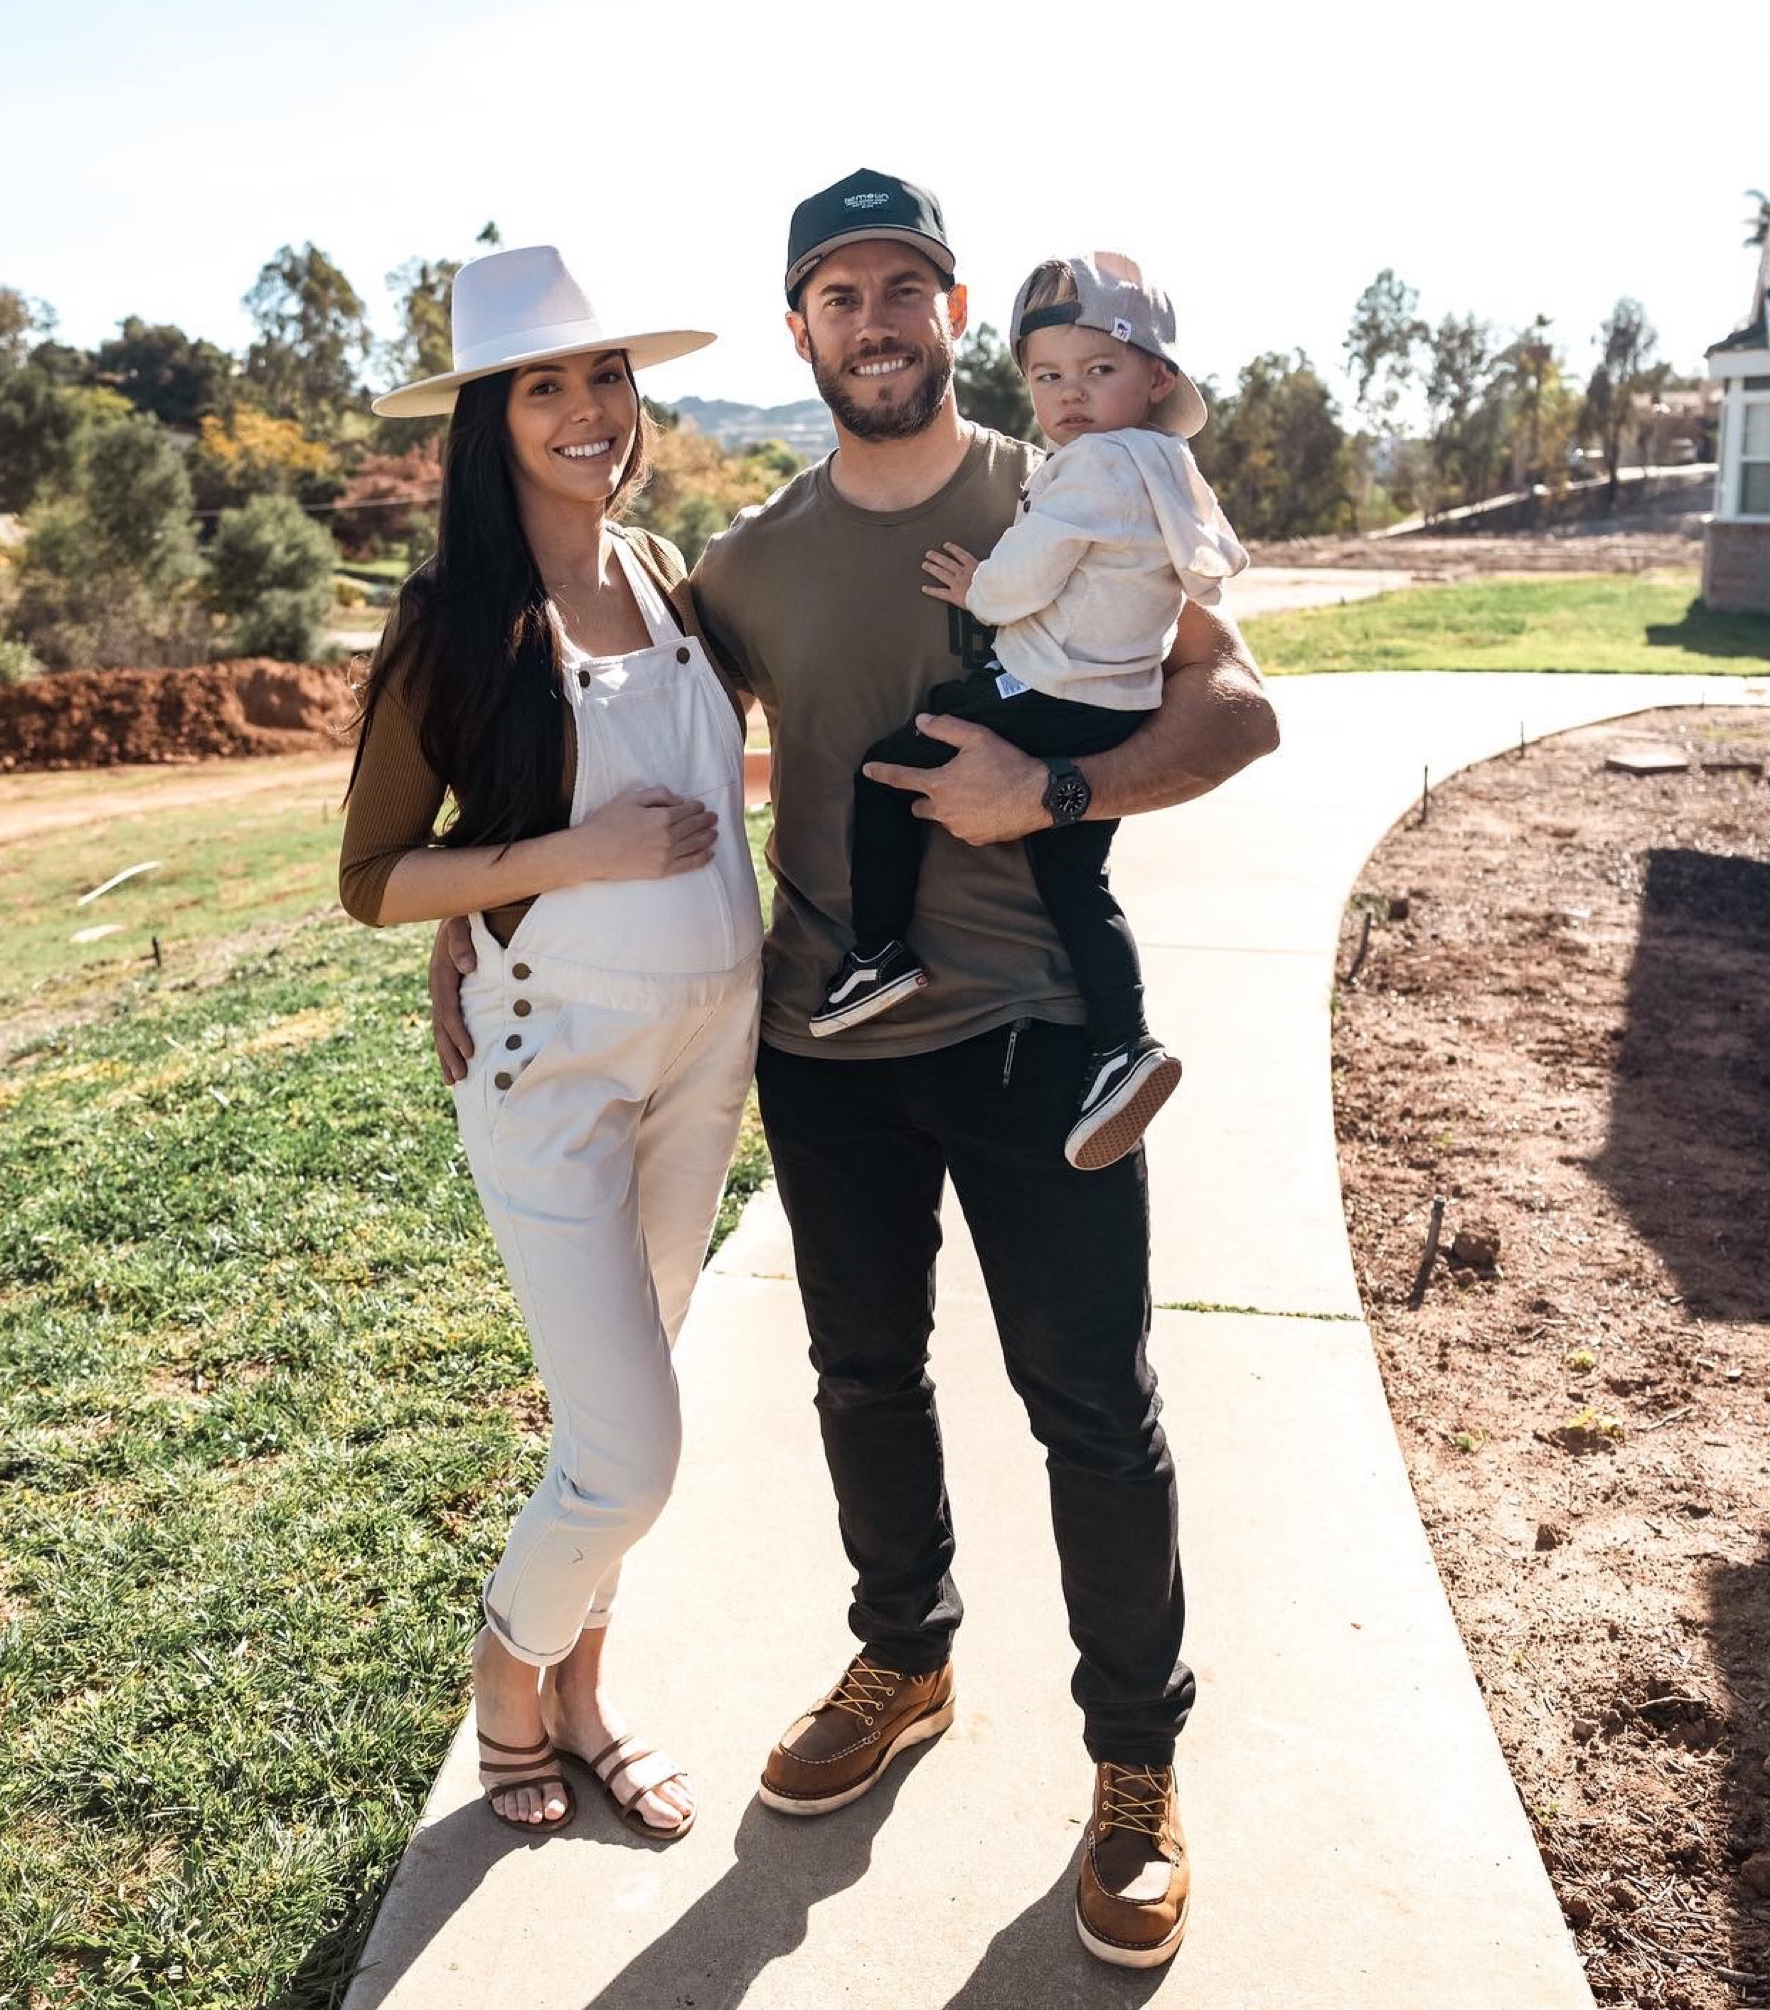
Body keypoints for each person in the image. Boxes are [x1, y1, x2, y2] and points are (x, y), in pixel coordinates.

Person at [430, 171, 1277, 1967]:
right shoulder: (739, 564)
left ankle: (1133, 1768)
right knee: (860, 1379)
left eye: (906, 288)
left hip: (1042, 1035)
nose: (875, 320)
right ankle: (904, 1651)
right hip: (823, 1039)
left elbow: (1235, 706)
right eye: (838, 292)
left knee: (1091, 1408)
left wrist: (1050, 789)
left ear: (955, 317)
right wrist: (471, 911)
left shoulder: (1072, 473)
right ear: (797, 326)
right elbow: (601, 729)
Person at [342, 244, 763, 1842]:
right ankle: (509, 1680)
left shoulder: (667, 574)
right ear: (489, 420)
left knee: (614, 1425)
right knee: (637, 1452)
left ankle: (589, 1697)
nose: (588, 409)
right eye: (546, 386)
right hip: (555, 1072)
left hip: (705, 1062)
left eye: (604, 377)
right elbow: (374, 877)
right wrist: (556, 862)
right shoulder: (456, 622)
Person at [814, 249, 1248, 1174]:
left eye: (1099, 370)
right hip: (1115, 708)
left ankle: (880, 950)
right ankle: (1124, 1042)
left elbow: (1022, 577)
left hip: (1046, 695)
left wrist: (979, 586)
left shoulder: (1087, 469)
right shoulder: (1171, 469)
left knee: (894, 765)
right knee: (1076, 885)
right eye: (1049, 376)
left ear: (1155, 376)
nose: (1071, 396)